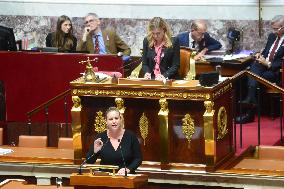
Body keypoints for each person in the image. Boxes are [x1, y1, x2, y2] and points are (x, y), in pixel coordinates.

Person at [236, 15, 284, 123]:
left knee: (252, 76)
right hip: (263, 67)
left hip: (275, 72)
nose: (274, 31)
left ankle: (249, 112)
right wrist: (260, 55)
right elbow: (266, 51)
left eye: (276, 29)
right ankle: (250, 103)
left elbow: (282, 62)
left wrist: (268, 64)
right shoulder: (272, 36)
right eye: (273, 28)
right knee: (253, 68)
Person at [86, 107, 142, 175]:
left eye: (116, 118)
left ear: (120, 120)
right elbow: (89, 162)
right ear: (106, 121)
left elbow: (138, 158)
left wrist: (128, 169)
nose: (114, 121)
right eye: (110, 119)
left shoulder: (130, 136)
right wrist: (94, 152)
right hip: (105, 178)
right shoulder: (100, 138)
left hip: (126, 177)